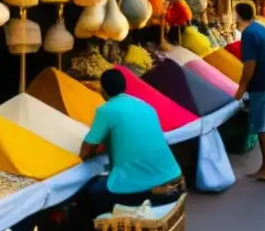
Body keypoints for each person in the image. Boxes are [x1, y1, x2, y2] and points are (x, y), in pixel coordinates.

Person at [80, 69, 186, 216]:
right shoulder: (145, 106)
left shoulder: (105, 111)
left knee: (94, 192)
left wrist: (96, 148)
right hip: (175, 182)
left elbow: (85, 153)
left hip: (144, 189)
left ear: (103, 91)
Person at [233, 1, 265, 181]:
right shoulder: (259, 29)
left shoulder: (248, 34)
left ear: (238, 15)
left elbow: (250, 64)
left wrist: (241, 87)